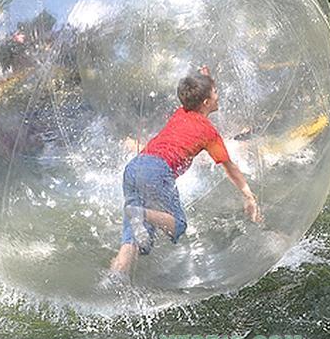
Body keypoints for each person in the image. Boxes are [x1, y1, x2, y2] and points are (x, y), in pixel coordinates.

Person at [108, 66, 262, 276]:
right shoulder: (209, 133)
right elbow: (230, 168)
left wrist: (205, 77)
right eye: (215, 92)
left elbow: (200, 93)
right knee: (178, 225)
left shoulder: (182, 111)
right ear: (206, 102)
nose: (219, 96)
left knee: (132, 241)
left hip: (135, 167)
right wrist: (249, 197)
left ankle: (111, 280)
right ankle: (140, 213)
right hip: (158, 171)